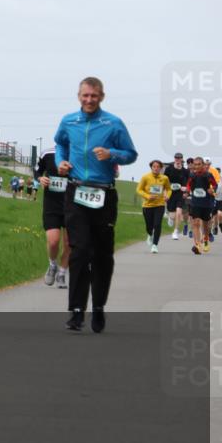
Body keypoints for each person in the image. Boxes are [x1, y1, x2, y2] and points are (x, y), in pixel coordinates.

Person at [54, 77, 137, 333]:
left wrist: (112, 154)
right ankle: (77, 311)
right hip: (76, 191)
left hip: (104, 194)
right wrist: (62, 162)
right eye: (85, 95)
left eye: (94, 96)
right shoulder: (69, 121)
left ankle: (98, 307)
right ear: (78, 96)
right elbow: (60, 143)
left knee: (102, 255)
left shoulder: (113, 123)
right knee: (79, 250)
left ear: (102, 96)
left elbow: (131, 154)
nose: (89, 100)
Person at [36, 148, 70, 288]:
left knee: (69, 243)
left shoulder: (78, 153)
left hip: (72, 205)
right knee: (53, 241)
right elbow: (37, 170)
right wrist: (40, 178)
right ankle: (52, 265)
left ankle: (62, 273)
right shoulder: (47, 153)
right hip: (52, 204)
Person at [136, 160, 171, 254]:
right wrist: (147, 196)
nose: (156, 168)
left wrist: (168, 195)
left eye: (158, 167)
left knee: (157, 224)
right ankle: (150, 234)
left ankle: (155, 245)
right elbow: (139, 190)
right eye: (154, 166)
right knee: (149, 226)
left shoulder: (164, 178)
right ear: (151, 167)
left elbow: (168, 189)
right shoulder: (145, 177)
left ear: (161, 168)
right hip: (147, 205)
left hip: (160, 205)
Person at [185, 157, 218, 255]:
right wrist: (187, 191)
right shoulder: (192, 175)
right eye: (195, 164)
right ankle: (198, 245)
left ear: (203, 165)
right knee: (195, 223)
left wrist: (212, 190)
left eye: (199, 164)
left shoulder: (208, 175)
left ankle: (206, 239)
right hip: (195, 202)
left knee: (206, 225)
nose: (197, 166)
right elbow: (188, 185)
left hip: (207, 203)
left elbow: (215, 185)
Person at [164, 153, 191, 240]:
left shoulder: (186, 171)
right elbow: (164, 181)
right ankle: (170, 218)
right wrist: (165, 192)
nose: (178, 159)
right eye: (176, 158)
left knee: (179, 212)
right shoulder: (169, 169)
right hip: (171, 193)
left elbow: (189, 183)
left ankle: (175, 231)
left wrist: (186, 191)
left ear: (182, 159)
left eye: (179, 158)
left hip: (181, 194)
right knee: (172, 215)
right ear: (174, 159)